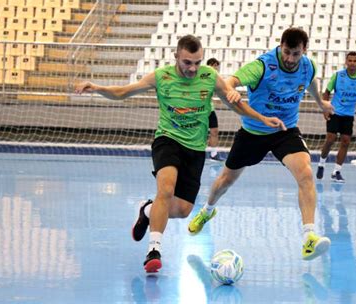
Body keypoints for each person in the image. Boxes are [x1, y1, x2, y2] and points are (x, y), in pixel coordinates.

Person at [75, 35, 285, 273]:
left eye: (197, 62)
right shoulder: (161, 77)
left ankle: (146, 210)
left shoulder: (210, 77)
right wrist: (98, 87)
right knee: (166, 189)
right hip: (168, 140)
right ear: (176, 56)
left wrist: (262, 118)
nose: (193, 68)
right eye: (187, 62)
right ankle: (153, 250)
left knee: (184, 209)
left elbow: (236, 105)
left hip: (195, 149)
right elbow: (124, 92)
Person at [188, 27, 334, 261]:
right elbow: (231, 80)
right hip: (253, 131)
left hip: (285, 130)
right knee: (225, 180)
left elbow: (311, 83)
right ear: (281, 46)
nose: (289, 59)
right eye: (286, 52)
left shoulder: (308, 66)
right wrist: (231, 90)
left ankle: (309, 237)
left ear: (304, 51)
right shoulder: (263, 66)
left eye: (295, 54)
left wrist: (321, 103)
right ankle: (206, 211)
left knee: (305, 173)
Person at [316, 51, 356, 183]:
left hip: (349, 115)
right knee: (331, 139)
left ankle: (336, 172)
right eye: (350, 61)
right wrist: (325, 108)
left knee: (346, 141)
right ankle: (321, 164)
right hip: (335, 111)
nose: (352, 63)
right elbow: (326, 92)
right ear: (346, 62)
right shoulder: (338, 76)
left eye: (354, 61)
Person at [206, 58, 223, 161]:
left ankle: (213, 154)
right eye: (213, 65)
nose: (215, 67)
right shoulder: (201, 77)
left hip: (210, 109)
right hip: (199, 110)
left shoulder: (216, 79)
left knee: (214, 131)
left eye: (217, 65)